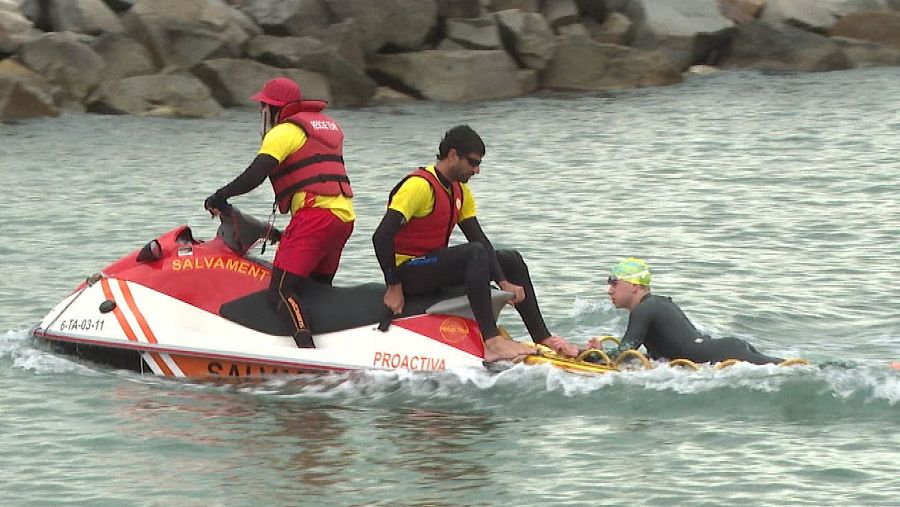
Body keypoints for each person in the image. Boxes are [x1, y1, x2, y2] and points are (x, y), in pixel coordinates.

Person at [372, 125, 578, 362]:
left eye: (479, 164)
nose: (477, 170)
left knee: (509, 258)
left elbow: (478, 238)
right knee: (475, 253)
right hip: (408, 271)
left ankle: (542, 337)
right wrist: (394, 286)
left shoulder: (460, 192)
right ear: (452, 155)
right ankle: (491, 342)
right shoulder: (419, 186)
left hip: (431, 266)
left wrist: (503, 281)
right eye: (472, 163)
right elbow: (381, 236)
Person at [204, 77, 354, 348]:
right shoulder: (319, 127)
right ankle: (331, 346)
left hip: (315, 217)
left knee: (281, 290)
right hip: (343, 219)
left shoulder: (284, 132)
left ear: (274, 108)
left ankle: (307, 352)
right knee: (315, 291)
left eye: (264, 106)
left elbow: (254, 175)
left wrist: (219, 196)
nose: (261, 112)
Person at [587, 257, 783, 365]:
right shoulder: (654, 305)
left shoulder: (645, 309)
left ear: (634, 286)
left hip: (725, 354)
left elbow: (624, 354)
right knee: (788, 367)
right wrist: (600, 352)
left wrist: (580, 353)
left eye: (614, 283)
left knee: (794, 369)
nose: (609, 290)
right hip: (725, 349)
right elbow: (654, 355)